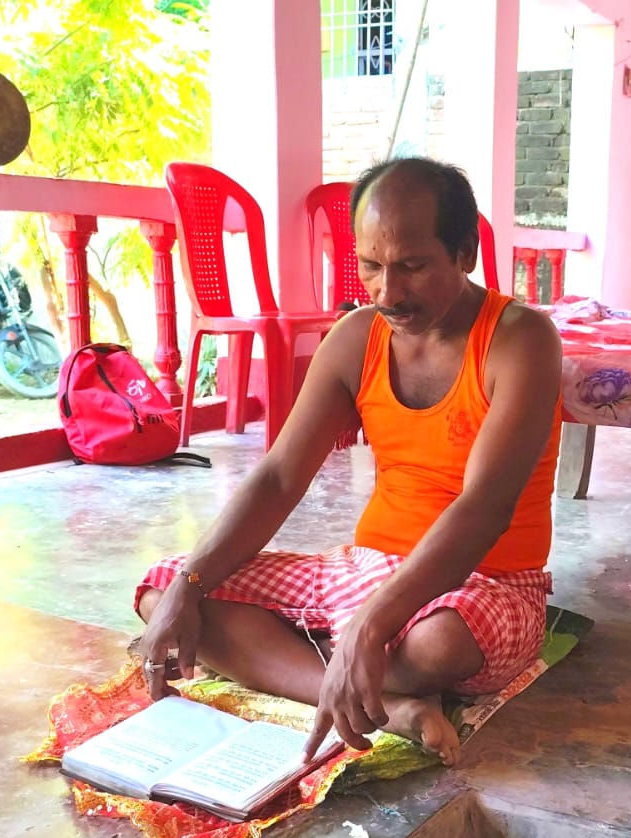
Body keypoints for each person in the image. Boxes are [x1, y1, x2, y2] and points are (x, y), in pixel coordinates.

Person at [137, 158, 563, 766]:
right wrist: (191, 583)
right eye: (371, 266)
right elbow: (280, 476)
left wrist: (370, 624)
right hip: (364, 569)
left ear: (465, 252)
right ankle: (392, 709)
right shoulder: (357, 337)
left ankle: (349, 659)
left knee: (438, 645)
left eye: (413, 267)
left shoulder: (521, 340)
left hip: (486, 585)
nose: (388, 292)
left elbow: (484, 510)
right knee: (166, 594)